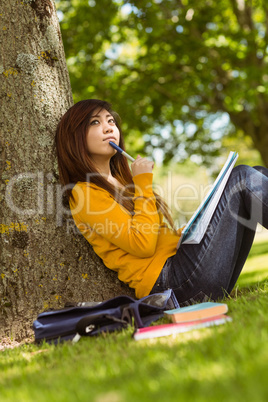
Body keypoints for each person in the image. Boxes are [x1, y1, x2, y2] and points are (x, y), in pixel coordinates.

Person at [55, 99, 268, 306]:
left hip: (184, 270)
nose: (109, 128)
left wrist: (191, 230)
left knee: (255, 174)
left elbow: (156, 235)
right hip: (173, 285)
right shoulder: (84, 193)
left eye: (111, 121)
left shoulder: (123, 182)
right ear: (75, 138)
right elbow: (143, 245)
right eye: (95, 122)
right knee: (242, 178)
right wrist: (143, 184)